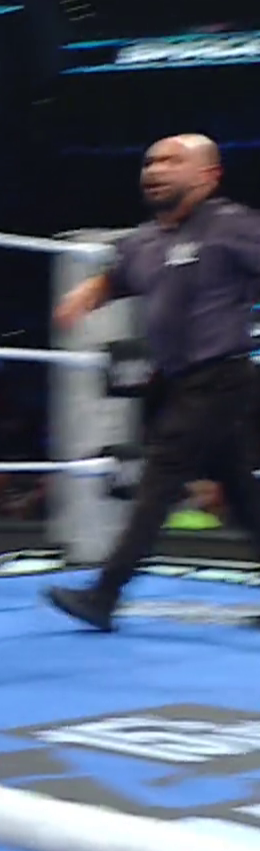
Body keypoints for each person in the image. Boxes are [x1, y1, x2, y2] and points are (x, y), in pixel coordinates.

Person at [46, 134, 260, 630]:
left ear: (208, 176)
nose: (155, 170)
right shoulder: (143, 240)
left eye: (171, 161)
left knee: (160, 476)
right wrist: (86, 294)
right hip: (179, 381)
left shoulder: (233, 225)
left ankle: (104, 594)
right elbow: (118, 276)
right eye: (150, 161)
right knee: (241, 492)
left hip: (221, 377)